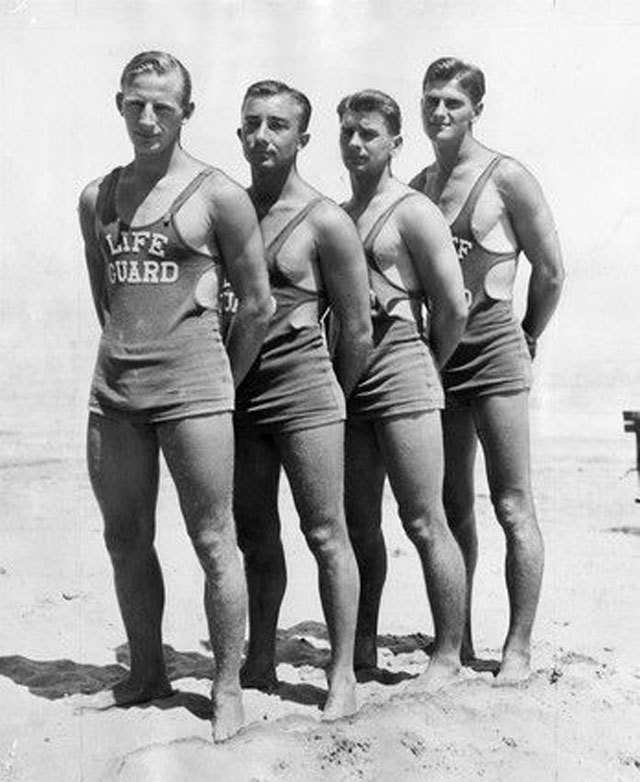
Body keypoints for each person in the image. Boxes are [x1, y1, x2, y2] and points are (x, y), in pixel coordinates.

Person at [78, 51, 273, 741]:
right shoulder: (97, 196)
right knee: (124, 537)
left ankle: (226, 687)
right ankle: (145, 674)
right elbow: (111, 299)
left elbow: (256, 305)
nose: (148, 117)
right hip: (116, 393)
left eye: (163, 105)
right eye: (136, 102)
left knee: (215, 540)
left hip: (193, 389)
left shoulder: (218, 194)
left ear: (187, 111)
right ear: (119, 103)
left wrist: (220, 378)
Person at [410, 57, 565, 682]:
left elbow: (551, 270)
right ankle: (454, 642)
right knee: (451, 508)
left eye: (452, 102)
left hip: (496, 353)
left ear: (477, 108)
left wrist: (527, 335)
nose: (440, 112)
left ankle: (518, 648)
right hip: (439, 359)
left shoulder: (507, 179)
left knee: (512, 504)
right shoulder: (418, 186)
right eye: (431, 101)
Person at [231, 80, 372, 720]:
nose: (264, 136)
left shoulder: (324, 220)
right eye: (253, 124)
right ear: (239, 133)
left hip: (306, 391)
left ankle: (339, 675)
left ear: (302, 139)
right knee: (255, 536)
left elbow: (358, 327)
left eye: (278, 126)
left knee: (325, 532)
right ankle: (259, 657)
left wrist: (331, 398)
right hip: (239, 394)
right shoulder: (225, 210)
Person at [336, 89, 469, 690]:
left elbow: (454, 307)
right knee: (359, 524)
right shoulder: (337, 213)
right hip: (348, 374)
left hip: (404, 368)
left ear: (395, 142)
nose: (356, 143)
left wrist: (427, 368)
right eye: (348, 133)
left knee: (423, 519)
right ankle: (362, 651)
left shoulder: (413, 210)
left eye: (368, 133)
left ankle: (446, 656)